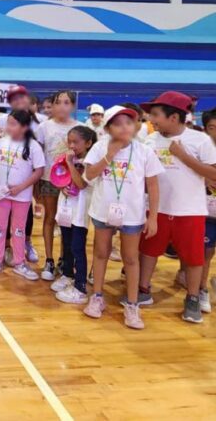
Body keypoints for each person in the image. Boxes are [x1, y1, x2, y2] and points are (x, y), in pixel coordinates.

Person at [83, 106, 163, 330]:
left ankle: (132, 303)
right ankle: (97, 296)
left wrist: (153, 217)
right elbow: (89, 175)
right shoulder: (100, 147)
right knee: (101, 253)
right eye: (118, 124)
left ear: (136, 125)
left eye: (128, 122)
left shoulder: (144, 151)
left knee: (130, 258)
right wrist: (109, 155)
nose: (124, 127)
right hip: (103, 210)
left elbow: (153, 186)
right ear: (108, 128)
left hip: (132, 214)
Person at [139, 92, 216, 323]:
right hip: (157, 209)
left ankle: (192, 298)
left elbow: (213, 174)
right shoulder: (150, 140)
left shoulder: (200, 140)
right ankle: (143, 289)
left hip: (189, 210)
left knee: (193, 257)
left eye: (156, 114)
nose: (151, 119)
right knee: (148, 250)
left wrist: (183, 156)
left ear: (173, 117)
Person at [0, 110, 45, 281]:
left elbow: (39, 171)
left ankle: (19, 262)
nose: (8, 126)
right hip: (1, 195)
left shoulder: (33, 146)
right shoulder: (1, 142)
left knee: (18, 230)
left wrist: (21, 187)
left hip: (22, 196)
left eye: (13, 123)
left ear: (24, 126)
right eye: (8, 123)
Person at [0, 85, 45, 263]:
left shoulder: (39, 122)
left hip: (28, 174)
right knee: (5, 216)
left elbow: (40, 151)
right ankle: (7, 247)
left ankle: (26, 243)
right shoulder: (5, 119)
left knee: (26, 214)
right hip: (7, 174)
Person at [35, 90, 78, 281]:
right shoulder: (44, 127)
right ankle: (49, 259)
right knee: (50, 218)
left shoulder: (80, 127)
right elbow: (38, 154)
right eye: (58, 102)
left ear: (73, 106)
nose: (62, 106)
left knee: (67, 221)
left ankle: (64, 259)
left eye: (66, 102)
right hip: (49, 179)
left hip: (72, 181)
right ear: (52, 105)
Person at [51, 126, 97, 305]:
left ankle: (80, 285)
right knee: (67, 244)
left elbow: (81, 184)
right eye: (69, 141)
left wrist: (70, 164)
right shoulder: (67, 158)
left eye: (76, 142)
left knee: (78, 247)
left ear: (88, 143)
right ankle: (68, 274)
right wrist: (61, 185)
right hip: (66, 209)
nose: (71, 145)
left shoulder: (90, 162)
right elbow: (60, 179)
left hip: (79, 212)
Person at [202, 109, 216, 304]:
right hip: (207, 212)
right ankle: (201, 289)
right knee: (205, 252)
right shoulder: (200, 151)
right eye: (212, 127)